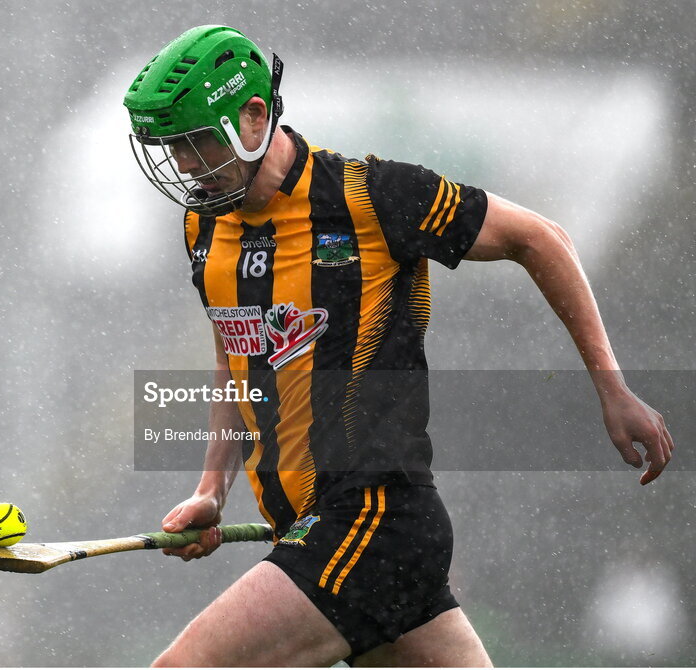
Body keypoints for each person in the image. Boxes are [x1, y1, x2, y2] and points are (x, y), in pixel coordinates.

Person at [123, 25, 674, 667]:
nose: (185, 165)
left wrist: (613, 389)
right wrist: (212, 488)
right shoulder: (204, 226)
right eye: (173, 148)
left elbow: (541, 238)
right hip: (326, 534)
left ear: (251, 118)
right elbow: (236, 360)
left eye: (194, 142)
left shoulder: (373, 197)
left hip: (372, 521)